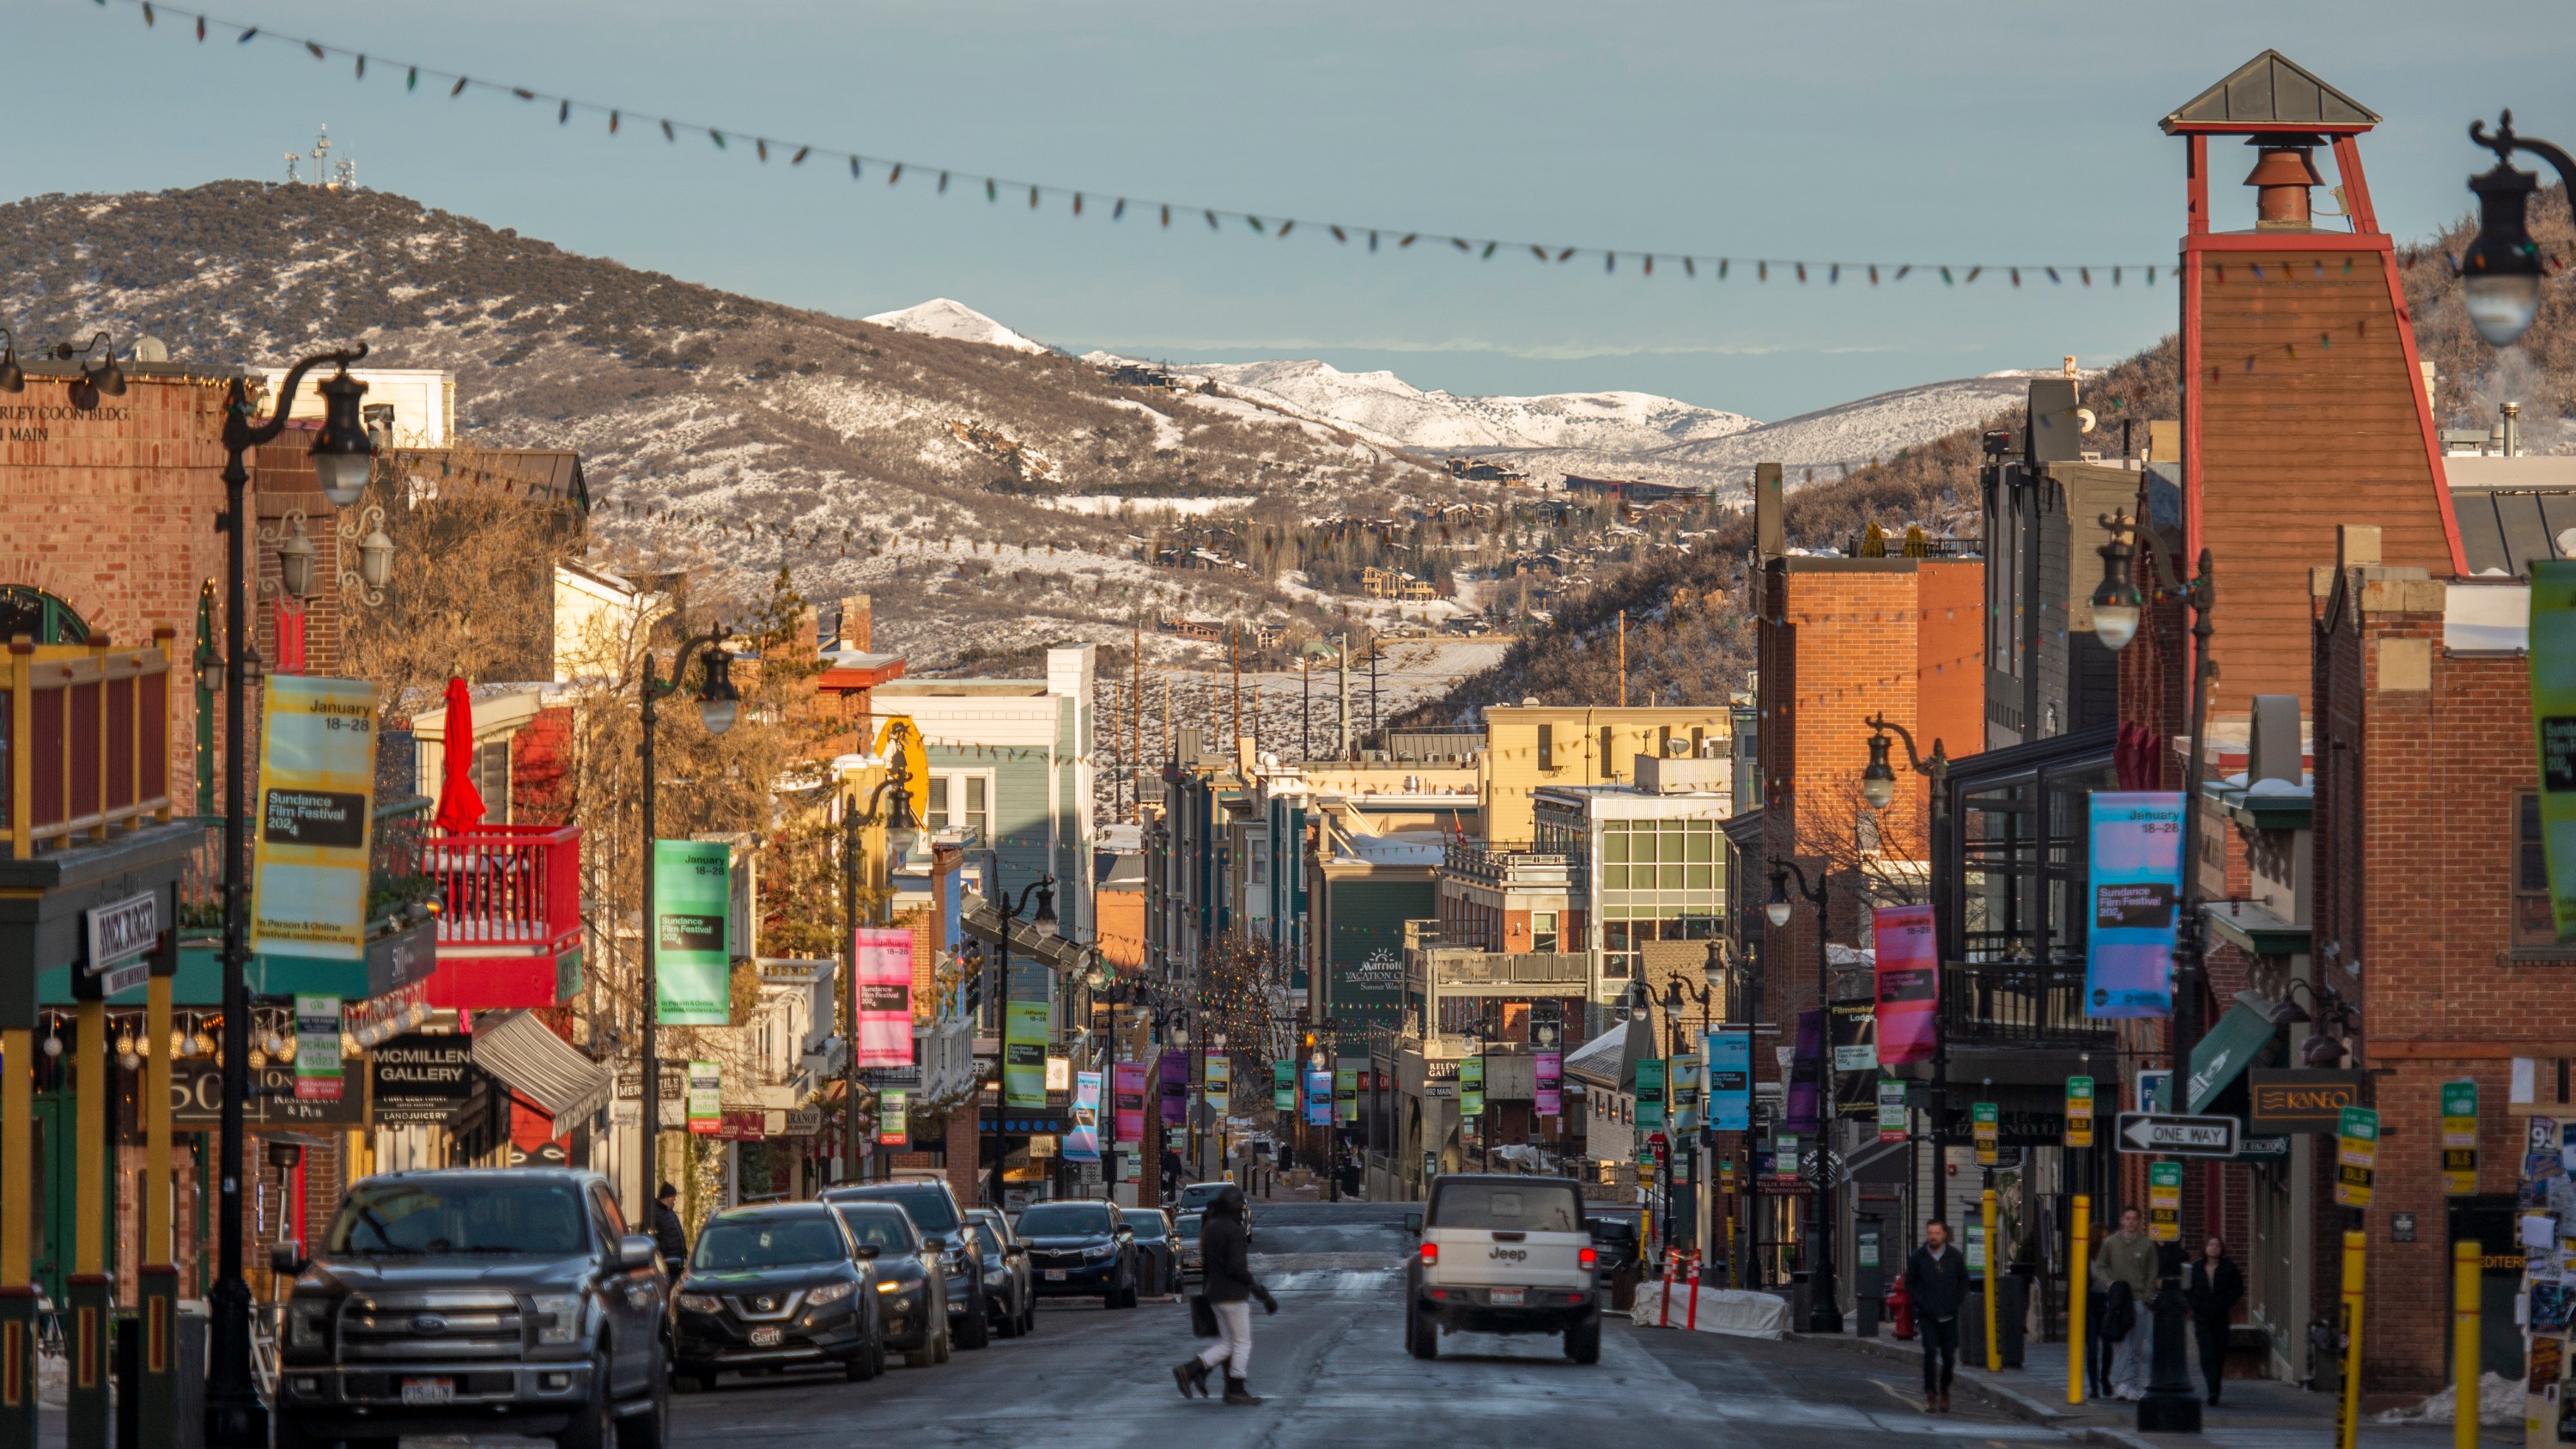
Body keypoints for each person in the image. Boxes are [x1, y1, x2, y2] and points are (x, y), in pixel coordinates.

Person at [1171, 1184, 1276, 1404]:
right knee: (1242, 1342)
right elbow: (1236, 1268)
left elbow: (1208, 1266)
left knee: (1228, 1343)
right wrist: (1259, 1291)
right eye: (1240, 1204)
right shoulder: (1234, 1230)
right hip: (1234, 1294)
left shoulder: (1211, 1227)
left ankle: (1191, 1370)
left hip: (1215, 1293)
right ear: (1235, 1207)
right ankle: (1236, 1386)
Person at [1903, 1219, 1971, 1412]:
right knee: (1930, 1351)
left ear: (1944, 1235)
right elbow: (1910, 1284)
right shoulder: (1918, 1258)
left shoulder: (1954, 1257)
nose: (1933, 1237)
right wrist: (1921, 1303)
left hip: (1949, 1315)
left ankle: (1945, 1389)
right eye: (1930, 1233)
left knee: (1949, 1357)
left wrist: (1956, 1301)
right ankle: (1931, 1392)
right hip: (1927, 1315)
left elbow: (1964, 1281)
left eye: (1937, 1233)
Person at [2092, 1207, 2160, 1400]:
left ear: (2139, 1222)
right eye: (2127, 1218)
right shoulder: (2111, 1242)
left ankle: (2132, 1385)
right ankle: (2120, 1382)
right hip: (2118, 1301)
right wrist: (2109, 1283)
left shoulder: (2147, 1244)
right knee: (2120, 1342)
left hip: (2138, 1300)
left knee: (2136, 1345)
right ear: (2122, 1220)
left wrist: (2147, 1296)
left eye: (2134, 1219)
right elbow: (2101, 1266)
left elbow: (2152, 1272)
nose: (2131, 1222)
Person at [2184, 1236, 2245, 1405]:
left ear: (2222, 1248)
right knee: (2206, 1352)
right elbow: (2186, 1289)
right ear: (2205, 1248)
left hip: (2221, 1315)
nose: (2214, 1248)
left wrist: (2225, 1304)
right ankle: (2212, 1388)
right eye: (2211, 1244)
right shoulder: (2194, 1267)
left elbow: (2238, 1289)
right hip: (2201, 1315)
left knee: (2219, 1352)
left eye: (2217, 1245)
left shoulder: (2229, 1267)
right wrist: (2195, 1306)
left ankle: (2215, 1385)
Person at [651, 1182, 689, 1275]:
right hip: (668, 1265)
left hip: (677, 1263)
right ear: (668, 1198)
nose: (674, 1201)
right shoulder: (657, 1214)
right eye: (674, 1198)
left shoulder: (670, 1213)